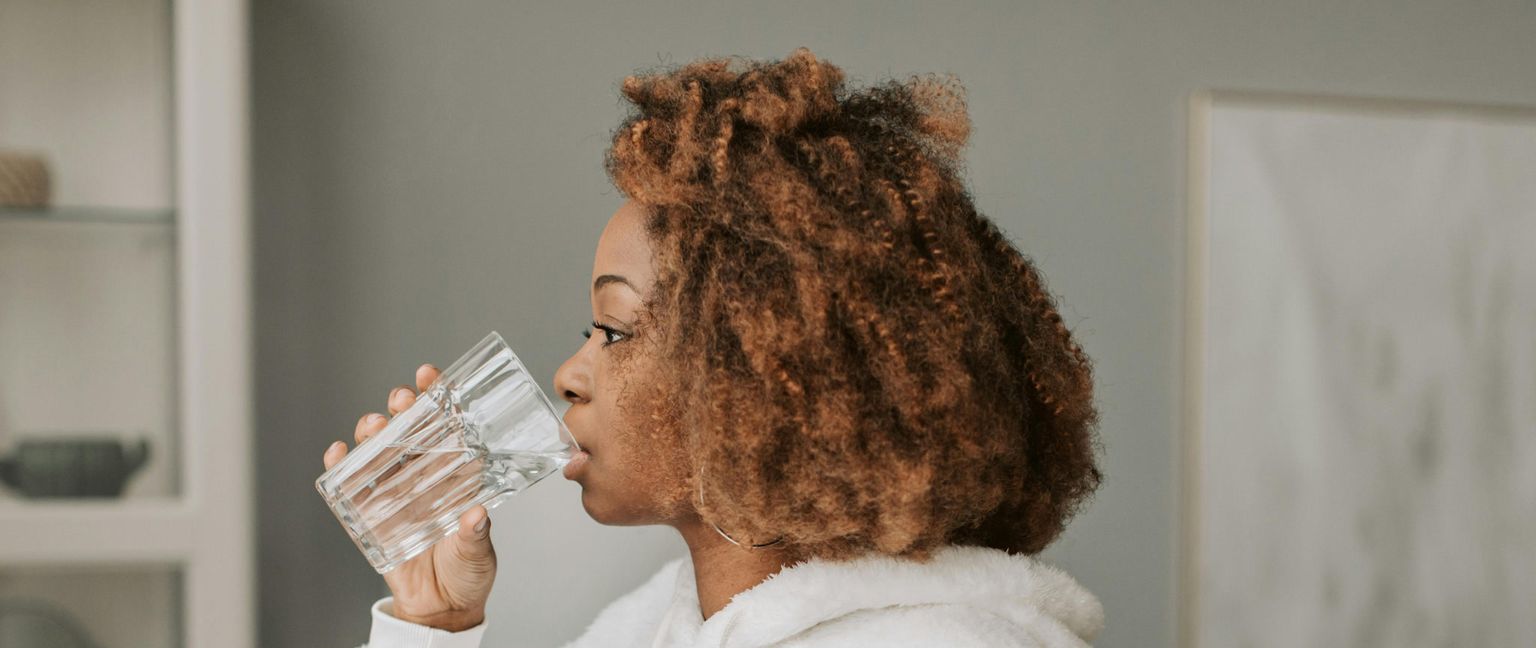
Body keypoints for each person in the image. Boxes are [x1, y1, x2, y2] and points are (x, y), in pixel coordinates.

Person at [323, 47, 1105, 647]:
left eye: (617, 331)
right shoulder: (647, 630)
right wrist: (434, 624)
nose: (568, 373)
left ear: (767, 376)